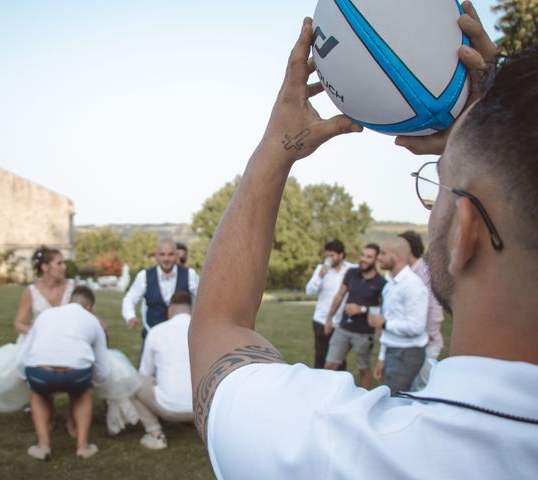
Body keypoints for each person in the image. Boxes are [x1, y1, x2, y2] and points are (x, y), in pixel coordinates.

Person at [189, 5, 538, 478]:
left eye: (437, 185)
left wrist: (276, 149)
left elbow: (218, 325)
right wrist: (483, 145)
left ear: (466, 231)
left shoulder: (342, 452)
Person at [0, 246, 75, 413]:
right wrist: (34, 330)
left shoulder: (72, 287)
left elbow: (85, 315)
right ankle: (42, 405)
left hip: (67, 340)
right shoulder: (31, 291)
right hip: (37, 340)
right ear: (45, 267)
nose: (64, 267)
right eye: (59, 263)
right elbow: (18, 323)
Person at [17, 286, 110, 460]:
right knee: (82, 393)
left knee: (38, 393)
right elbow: (103, 365)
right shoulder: (92, 320)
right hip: (77, 374)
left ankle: (43, 446)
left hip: (40, 372)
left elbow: (24, 355)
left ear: (70, 301)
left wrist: (26, 377)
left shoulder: (45, 315)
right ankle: (82, 446)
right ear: (89, 306)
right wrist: (94, 382)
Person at [130, 291, 195, 450]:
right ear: (192, 311)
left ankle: (155, 433)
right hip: (202, 409)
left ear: (169, 311)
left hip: (168, 409)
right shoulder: (204, 332)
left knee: (132, 383)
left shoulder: (156, 331)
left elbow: (145, 373)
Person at [368, 238, 428, 394]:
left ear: (396, 256)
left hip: (407, 353)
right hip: (392, 350)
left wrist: (384, 324)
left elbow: (417, 327)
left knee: (395, 401)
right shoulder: (390, 284)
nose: (378, 257)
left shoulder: (413, 285)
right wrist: (382, 358)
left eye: (382, 253)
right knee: (393, 398)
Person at [324, 243, 385, 388]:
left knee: (363, 369)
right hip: (343, 328)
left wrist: (361, 309)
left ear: (376, 259)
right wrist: (329, 318)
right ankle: (324, 396)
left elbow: (382, 310)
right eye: (363, 255)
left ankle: (364, 401)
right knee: (329, 365)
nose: (364, 259)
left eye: (369, 256)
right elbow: (339, 295)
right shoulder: (351, 273)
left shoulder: (381, 283)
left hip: (364, 334)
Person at [122, 238, 199, 340]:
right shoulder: (144, 276)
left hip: (181, 336)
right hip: (152, 334)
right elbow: (130, 299)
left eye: (170, 254)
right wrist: (130, 316)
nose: (166, 259)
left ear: (176, 255)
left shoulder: (190, 275)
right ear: (156, 256)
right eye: (162, 254)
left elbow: (203, 299)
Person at [399, 230, 445, 390]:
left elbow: (433, 310)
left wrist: (428, 337)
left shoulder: (423, 273)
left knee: (421, 387)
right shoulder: (410, 273)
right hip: (415, 341)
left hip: (427, 343)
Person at [304, 239, 353, 369]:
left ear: (341, 255)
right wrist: (319, 277)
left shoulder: (352, 270)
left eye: (332, 255)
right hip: (321, 319)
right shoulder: (321, 269)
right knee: (320, 356)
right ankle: (319, 386)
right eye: (327, 256)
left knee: (339, 359)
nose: (329, 259)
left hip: (342, 322)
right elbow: (309, 291)